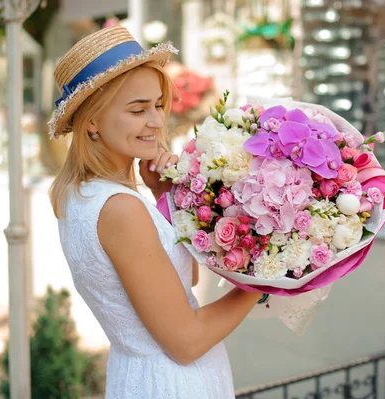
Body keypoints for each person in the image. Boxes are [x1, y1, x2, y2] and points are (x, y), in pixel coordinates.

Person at [49, 25, 265, 398]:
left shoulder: (83, 195)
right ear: (92, 121)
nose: (156, 121)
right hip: (172, 383)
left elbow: (186, 279)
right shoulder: (119, 209)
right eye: (138, 109)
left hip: (144, 375)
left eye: (158, 105)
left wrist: (164, 195)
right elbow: (187, 341)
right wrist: (264, 279)